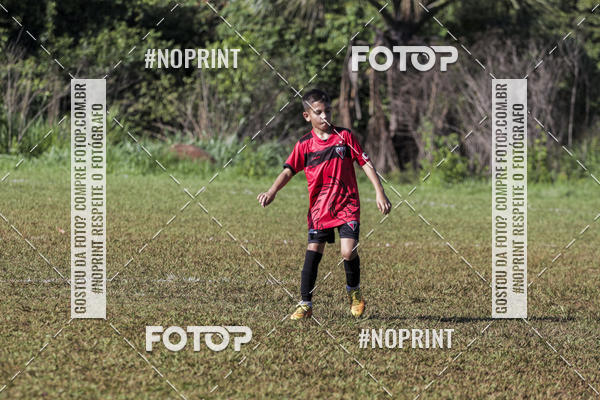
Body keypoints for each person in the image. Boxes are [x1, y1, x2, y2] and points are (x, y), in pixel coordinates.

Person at [257, 88, 391, 320]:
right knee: (313, 252)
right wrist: (272, 191)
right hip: (320, 209)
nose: (325, 116)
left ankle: (354, 293)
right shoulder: (304, 145)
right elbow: (288, 171)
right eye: (318, 112)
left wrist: (380, 192)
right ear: (307, 116)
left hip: (347, 205)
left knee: (348, 252)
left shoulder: (345, 137)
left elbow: (365, 163)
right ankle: (305, 304)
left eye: (328, 111)